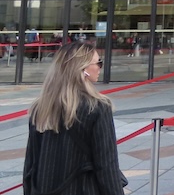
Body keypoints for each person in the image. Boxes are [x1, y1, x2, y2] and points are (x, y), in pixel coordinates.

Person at [23, 41, 124, 195]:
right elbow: (106, 166)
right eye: (98, 62)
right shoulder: (96, 107)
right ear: (83, 69)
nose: (100, 67)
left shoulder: (40, 107)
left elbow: (31, 164)